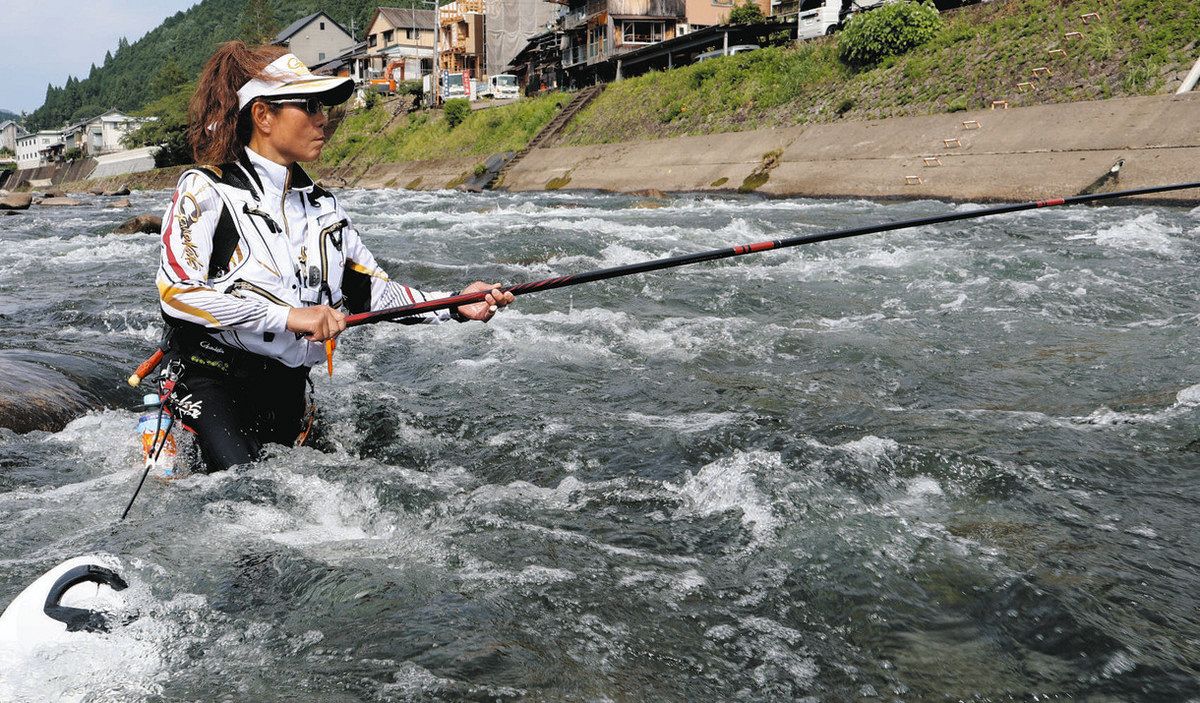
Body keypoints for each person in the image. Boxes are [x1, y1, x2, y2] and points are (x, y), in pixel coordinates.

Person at [155, 42, 513, 472]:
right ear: (262, 116)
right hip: (209, 382)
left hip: (285, 389)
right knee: (249, 496)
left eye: (322, 105)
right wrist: (291, 317)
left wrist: (456, 304)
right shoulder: (204, 189)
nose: (323, 118)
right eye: (308, 105)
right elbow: (176, 294)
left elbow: (371, 293)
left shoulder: (324, 207)